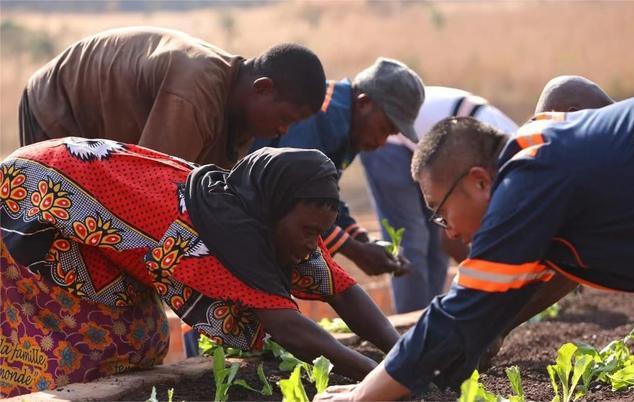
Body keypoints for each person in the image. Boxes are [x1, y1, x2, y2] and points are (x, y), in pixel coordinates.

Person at [0, 139, 399, 397]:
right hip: (33, 200)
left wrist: (403, 354)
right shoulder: (213, 238)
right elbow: (290, 329)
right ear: (275, 209)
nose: (313, 244)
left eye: (321, 233)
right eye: (309, 231)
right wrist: (387, 379)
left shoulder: (267, 214)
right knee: (77, 342)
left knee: (141, 338)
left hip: (84, 205)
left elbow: (343, 290)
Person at [315, 97, 634, 401]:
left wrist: (361, 396)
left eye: (440, 211)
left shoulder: (527, 178)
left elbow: (462, 309)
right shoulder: (540, 153)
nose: (449, 229)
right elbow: (517, 289)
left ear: (479, 182)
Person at [19, 27, 326, 168]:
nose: (284, 130)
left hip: (105, 140)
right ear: (263, 88)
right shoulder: (195, 92)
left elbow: (211, 194)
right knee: (55, 249)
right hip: (57, 107)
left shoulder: (239, 117)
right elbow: (150, 186)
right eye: (286, 118)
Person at [251, 57, 424, 277]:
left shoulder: (349, 127)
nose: (382, 143)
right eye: (383, 128)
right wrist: (356, 251)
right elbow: (295, 197)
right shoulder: (321, 115)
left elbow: (323, 196)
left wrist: (363, 240)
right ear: (364, 103)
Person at [360, 87, 519, 313]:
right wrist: (489, 281)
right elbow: (452, 240)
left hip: (437, 150)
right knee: (412, 238)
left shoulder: (511, 159)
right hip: (393, 141)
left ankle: (430, 316)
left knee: (438, 237)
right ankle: (412, 322)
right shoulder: (508, 164)